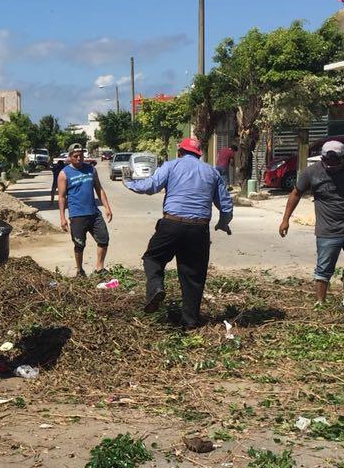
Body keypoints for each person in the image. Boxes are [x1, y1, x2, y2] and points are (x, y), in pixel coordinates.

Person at [126, 137, 233, 329]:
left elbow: (150, 186)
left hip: (172, 224)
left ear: (180, 152)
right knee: (193, 275)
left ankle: (156, 288)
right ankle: (190, 321)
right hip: (199, 229)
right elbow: (225, 204)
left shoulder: (171, 166)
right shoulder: (211, 172)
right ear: (199, 155)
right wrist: (223, 223)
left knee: (153, 259)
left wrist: (129, 183)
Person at [279, 140, 344, 308]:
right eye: (328, 162)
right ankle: (320, 304)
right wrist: (285, 219)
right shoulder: (311, 173)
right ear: (323, 159)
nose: (332, 166)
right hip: (327, 230)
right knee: (324, 269)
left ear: (343, 158)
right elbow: (296, 194)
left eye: (336, 163)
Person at [56, 144, 114, 277]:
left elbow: (99, 189)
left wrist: (107, 207)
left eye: (81, 155)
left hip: (94, 213)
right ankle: (80, 271)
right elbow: (61, 197)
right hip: (77, 215)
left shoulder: (91, 169)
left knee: (104, 239)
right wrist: (62, 218)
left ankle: (99, 268)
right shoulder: (64, 174)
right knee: (79, 244)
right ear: (69, 157)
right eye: (75, 156)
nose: (79, 158)